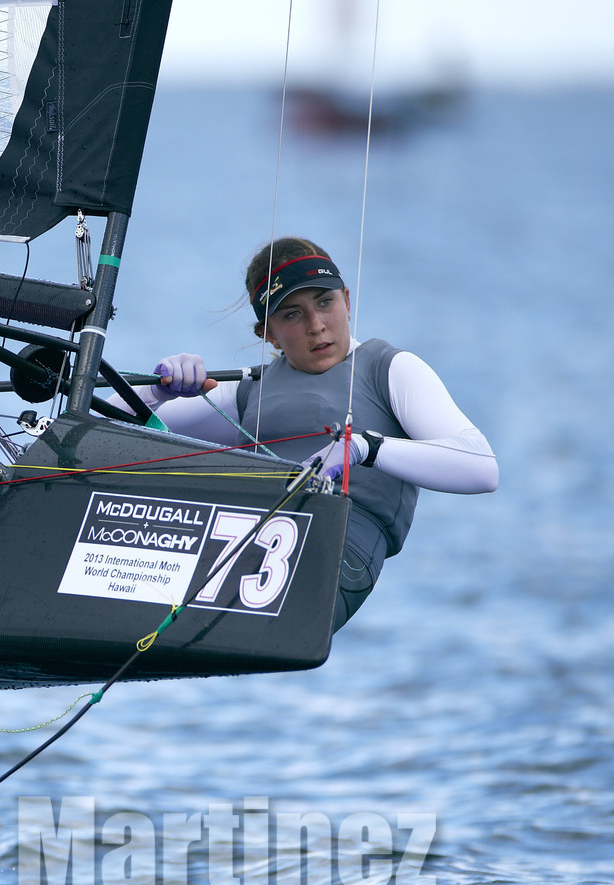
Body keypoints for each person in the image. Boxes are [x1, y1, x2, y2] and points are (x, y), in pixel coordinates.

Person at [120, 237, 498, 630]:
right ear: (267, 332)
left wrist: (363, 448)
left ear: (347, 301)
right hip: (244, 547)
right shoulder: (250, 390)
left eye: (324, 302)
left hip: (340, 550)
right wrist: (156, 389)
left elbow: (483, 468)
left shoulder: (390, 368)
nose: (316, 325)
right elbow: (118, 425)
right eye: (291, 314)